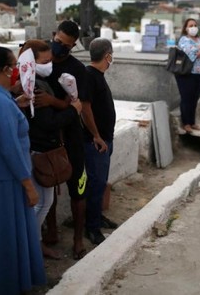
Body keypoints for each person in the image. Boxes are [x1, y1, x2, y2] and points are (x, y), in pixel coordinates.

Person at [0, 46, 46, 294]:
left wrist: (15, 104)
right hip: (8, 179)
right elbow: (9, 147)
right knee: (6, 234)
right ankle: (6, 284)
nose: (15, 71)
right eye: (13, 66)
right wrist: (27, 184)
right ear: (4, 69)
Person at [18, 39, 83, 259]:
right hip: (40, 149)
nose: (49, 65)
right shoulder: (34, 87)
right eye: (44, 61)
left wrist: (63, 101)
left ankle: (34, 243)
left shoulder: (39, 81)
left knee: (45, 201)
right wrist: (73, 110)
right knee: (42, 203)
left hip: (41, 147)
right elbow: (48, 123)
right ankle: (32, 244)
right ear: (32, 62)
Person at [33, 20, 89, 258]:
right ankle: (52, 231)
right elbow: (33, 93)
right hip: (48, 136)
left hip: (72, 134)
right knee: (49, 182)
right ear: (54, 35)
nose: (58, 49)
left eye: (65, 46)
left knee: (78, 187)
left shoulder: (77, 69)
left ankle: (78, 239)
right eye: (57, 42)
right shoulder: (41, 59)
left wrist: (54, 102)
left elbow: (77, 104)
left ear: (73, 46)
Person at [82, 38, 118, 245]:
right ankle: (92, 227)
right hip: (96, 141)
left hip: (105, 139)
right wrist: (96, 135)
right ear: (107, 56)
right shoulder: (89, 76)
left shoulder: (98, 75)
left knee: (100, 181)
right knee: (96, 183)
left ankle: (97, 217)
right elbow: (85, 108)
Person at [176, 18, 200, 134]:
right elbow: (194, 54)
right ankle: (186, 123)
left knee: (194, 99)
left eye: (195, 25)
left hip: (199, 73)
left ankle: (192, 122)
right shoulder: (183, 40)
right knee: (186, 99)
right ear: (186, 28)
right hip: (187, 73)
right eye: (191, 25)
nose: (193, 27)